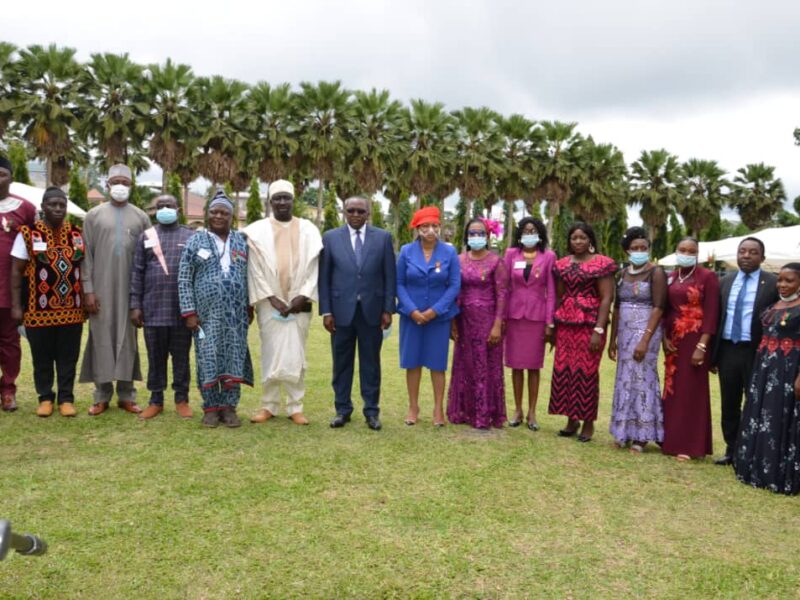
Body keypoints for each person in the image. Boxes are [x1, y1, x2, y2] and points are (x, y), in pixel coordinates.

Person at [244, 180, 322, 426]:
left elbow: (314, 267)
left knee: (296, 355)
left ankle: (295, 407)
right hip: (270, 304)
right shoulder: (256, 231)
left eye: (286, 198)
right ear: (270, 201)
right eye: (276, 198)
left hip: (299, 304)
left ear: (292, 200)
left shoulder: (309, 229)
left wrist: (303, 295)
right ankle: (268, 405)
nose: (281, 202)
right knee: (270, 353)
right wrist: (272, 298)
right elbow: (254, 269)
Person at [79, 164, 151, 415]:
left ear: (131, 186)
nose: (120, 186)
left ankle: (127, 395)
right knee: (100, 338)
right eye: (116, 181)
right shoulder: (93, 216)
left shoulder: (141, 217)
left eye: (125, 182)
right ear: (108, 184)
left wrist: (141, 298)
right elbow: (85, 256)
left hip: (131, 292)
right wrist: (88, 290)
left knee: (128, 339)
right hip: (100, 290)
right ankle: (101, 395)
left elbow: (149, 259)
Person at [318, 196, 396, 431]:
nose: (355, 214)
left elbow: (389, 276)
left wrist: (388, 308)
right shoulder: (331, 238)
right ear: (344, 212)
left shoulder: (382, 238)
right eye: (351, 210)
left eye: (360, 211)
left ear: (368, 213)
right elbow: (324, 277)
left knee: (371, 364)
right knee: (341, 364)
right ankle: (342, 410)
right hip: (340, 313)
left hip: (371, 312)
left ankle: (371, 411)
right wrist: (327, 310)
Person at [178, 190, 253, 428]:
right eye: (214, 212)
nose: (218, 216)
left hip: (236, 316)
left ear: (232, 217)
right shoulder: (195, 241)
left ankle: (229, 408)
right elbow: (184, 278)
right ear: (208, 214)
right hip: (205, 317)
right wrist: (189, 312)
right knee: (207, 356)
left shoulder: (241, 241)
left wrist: (249, 306)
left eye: (224, 212)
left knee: (234, 355)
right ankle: (211, 408)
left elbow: (250, 276)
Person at [9, 187, 84, 417]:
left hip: (72, 310)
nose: (58, 209)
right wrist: (16, 305)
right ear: (43, 207)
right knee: (42, 357)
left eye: (62, 205)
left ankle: (66, 398)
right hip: (37, 310)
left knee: (68, 357)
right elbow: (16, 271)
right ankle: (45, 398)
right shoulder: (28, 234)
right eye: (53, 204)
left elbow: (83, 268)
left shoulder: (76, 234)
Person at [734, 263, 800, 494]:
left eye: (789, 280)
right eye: (780, 280)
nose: (782, 284)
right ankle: (756, 467)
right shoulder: (776, 304)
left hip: (788, 370)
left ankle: (778, 473)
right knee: (760, 414)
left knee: (780, 417)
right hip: (764, 368)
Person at [710, 237, 778, 465]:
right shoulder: (725, 281)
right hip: (728, 350)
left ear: (763, 257)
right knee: (729, 403)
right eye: (742, 251)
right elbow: (716, 318)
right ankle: (732, 449)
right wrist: (713, 353)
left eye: (752, 252)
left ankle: (753, 451)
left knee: (756, 401)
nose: (746, 256)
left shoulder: (772, 284)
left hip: (757, 351)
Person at [549, 222, 616, 442]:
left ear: (590, 241)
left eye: (582, 238)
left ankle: (588, 423)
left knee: (586, 372)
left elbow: (607, 297)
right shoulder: (561, 265)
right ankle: (571, 420)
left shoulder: (602, 264)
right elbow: (559, 296)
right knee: (565, 370)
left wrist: (599, 328)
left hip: (590, 324)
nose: (578, 241)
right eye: (574, 238)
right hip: (566, 324)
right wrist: (553, 326)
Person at [129, 195, 195, 420]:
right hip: (153, 310)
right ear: (154, 210)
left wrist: (194, 309)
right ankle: (155, 400)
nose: (165, 209)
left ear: (178, 209)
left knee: (181, 358)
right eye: (160, 206)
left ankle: (181, 399)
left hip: (181, 312)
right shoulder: (146, 236)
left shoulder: (190, 236)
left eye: (169, 206)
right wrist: (135, 305)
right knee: (155, 359)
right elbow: (137, 272)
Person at [396, 205, 460, 427]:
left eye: (434, 225)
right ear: (417, 228)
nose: (430, 230)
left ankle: (438, 409)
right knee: (412, 362)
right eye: (425, 226)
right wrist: (412, 310)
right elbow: (399, 283)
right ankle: (413, 407)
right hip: (410, 316)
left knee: (437, 363)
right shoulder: (405, 251)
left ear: (439, 227)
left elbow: (453, 286)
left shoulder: (450, 253)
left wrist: (434, 311)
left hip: (438, 318)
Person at [607, 227, 666, 452]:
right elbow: (617, 307)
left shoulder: (656, 272)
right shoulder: (622, 275)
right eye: (635, 248)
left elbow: (659, 307)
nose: (639, 251)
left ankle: (642, 435)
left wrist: (645, 340)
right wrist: (613, 340)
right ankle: (623, 431)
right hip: (624, 332)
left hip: (646, 331)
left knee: (643, 380)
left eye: (643, 248)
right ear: (627, 251)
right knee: (624, 379)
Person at [661, 237, 720, 461]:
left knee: (691, 391)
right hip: (674, 339)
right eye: (681, 249)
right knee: (673, 389)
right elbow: (666, 310)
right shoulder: (672, 277)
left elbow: (712, 313)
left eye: (690, 251)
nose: (685, 253)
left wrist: (702, 346)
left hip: (696, 339)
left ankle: (690, 444)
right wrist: (664, 339)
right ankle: (670, 439)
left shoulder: (708, 277)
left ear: (697, 254)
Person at [447, 218, 508, 429]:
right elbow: (455, 292)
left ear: (487, 236)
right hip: (464, 320)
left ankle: (486, 414)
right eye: (472, 233)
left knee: (486, 366)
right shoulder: (458, 260)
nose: (476, 237)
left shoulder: (496, 261)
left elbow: (502, 295)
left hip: (488, 321)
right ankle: (463, 411)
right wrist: (453, 322)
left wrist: (498, 324)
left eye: (480, 233)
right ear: (466, 236)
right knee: (465, 364)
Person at [503, 217, 556, 430]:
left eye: (533, 230)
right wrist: (502, 317)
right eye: (525, 230)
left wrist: (550, 322)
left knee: (534, 366)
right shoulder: (510, 255)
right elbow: (505, 287)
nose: (529, 234)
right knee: (516, 365)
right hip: (514, 317)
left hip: (537, 318)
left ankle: (533, 412)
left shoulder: (549, 256)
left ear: (540, 233)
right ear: (520, 234)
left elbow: (551, 291)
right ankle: (517, 409)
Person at [0, 156, 36, 412]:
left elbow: (34, 248)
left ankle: (8, 390)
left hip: (9, 290)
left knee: (10, 343)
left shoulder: (25, 208)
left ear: (11, 177)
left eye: (2, 173)